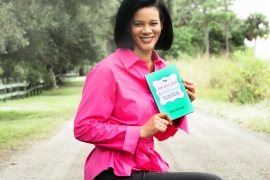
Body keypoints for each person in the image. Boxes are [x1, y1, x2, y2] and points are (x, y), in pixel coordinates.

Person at [74, 0, 223, 180]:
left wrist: (179, 105)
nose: (147, 30)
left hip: (145, 163)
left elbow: (160, 133)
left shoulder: (163, 70)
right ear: (128, 27)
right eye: (138, 24)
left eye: (153, 23)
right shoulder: (107, 70)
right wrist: (140, 131)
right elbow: (83, 127)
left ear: (162, 26)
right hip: (113, 170)